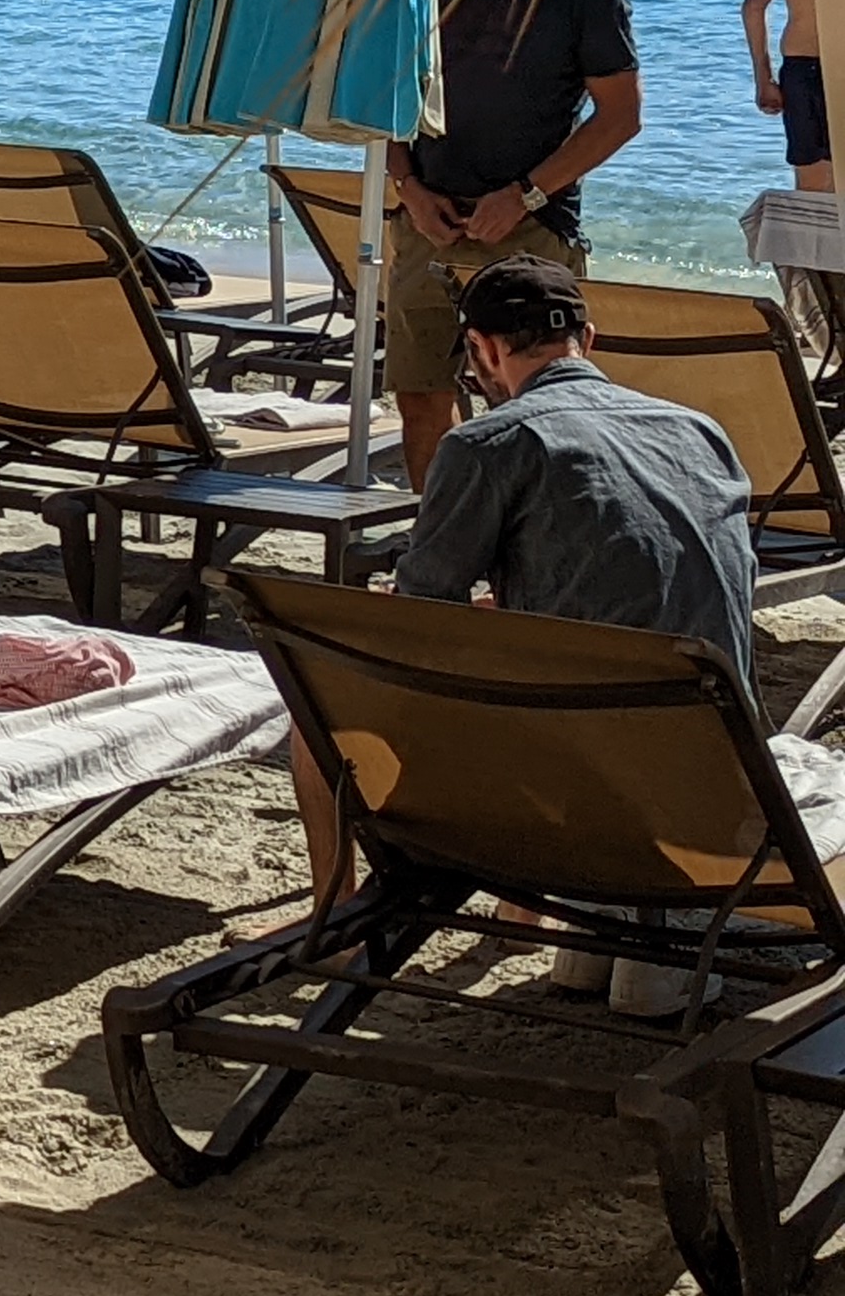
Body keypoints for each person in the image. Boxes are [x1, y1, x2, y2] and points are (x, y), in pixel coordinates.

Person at [287, 257, 756, 1010]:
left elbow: (420, 618)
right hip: (719, 770)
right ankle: (550, 927)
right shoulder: (701, 430)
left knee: (314, 707)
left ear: (481, 350)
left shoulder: (491, 443)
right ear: (589, 339)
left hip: (570, 781)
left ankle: (337, 922)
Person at [384, 0, 641, 487]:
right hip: (428, 220)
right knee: (420, 398)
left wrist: (525, 195)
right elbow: (386, 97)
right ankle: (441, 527)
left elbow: (621, 116)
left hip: (533, 226)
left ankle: (529, 528)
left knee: (539, 403)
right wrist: (409, 188)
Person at [747, 0, 827, 195]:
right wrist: (763, 79)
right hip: (806, 70)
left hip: (804, 67)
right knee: (814, 188)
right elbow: (753, 8)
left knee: (812, 190)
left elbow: (753, 7)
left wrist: (764, 79)